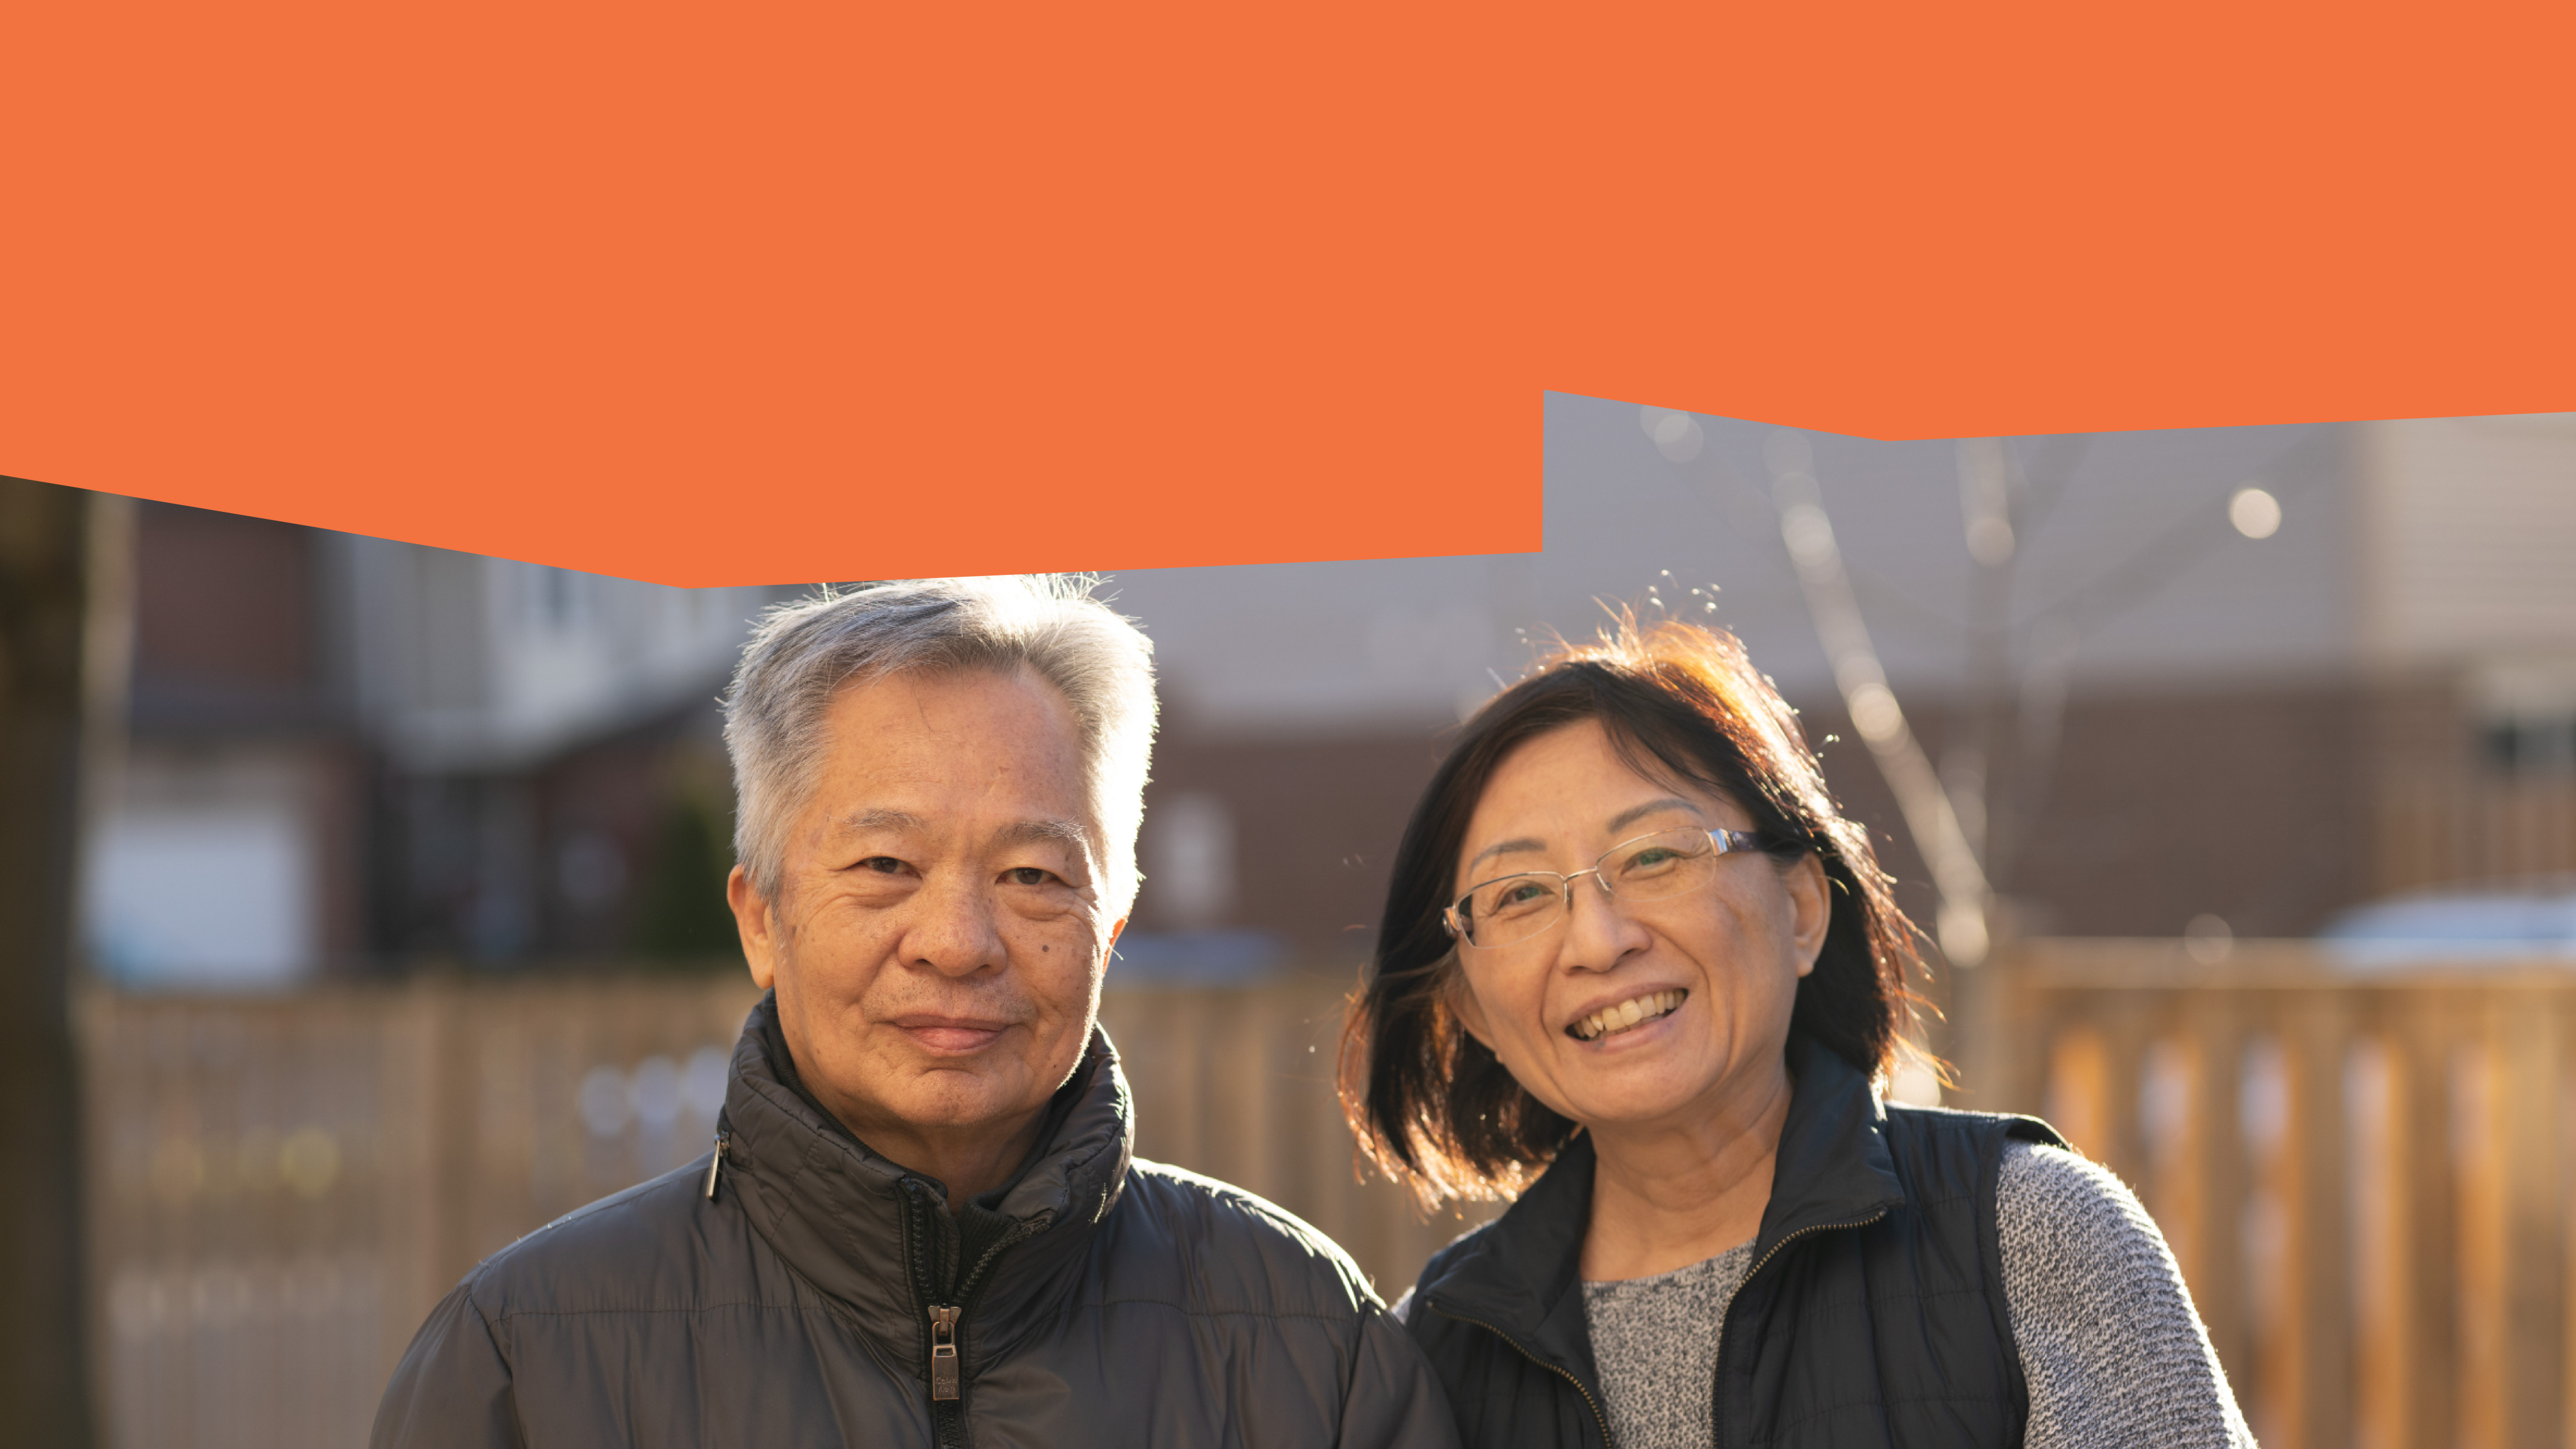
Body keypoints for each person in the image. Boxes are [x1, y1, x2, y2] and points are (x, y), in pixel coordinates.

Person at [374, 575, 1456, 1448]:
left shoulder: (1310, 1344)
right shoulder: (525, 1363)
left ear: (1113, 920)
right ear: (762, 919)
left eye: (1033, 875)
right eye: (886, 864)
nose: (958, 941)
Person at [1343, 615, 2251, 1449]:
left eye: (1655, 857)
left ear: (1803, 908)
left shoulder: (2032, 1236)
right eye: (1522, 896)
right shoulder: (1438, 1347)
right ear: (1470, 1009)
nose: (1598, 940)